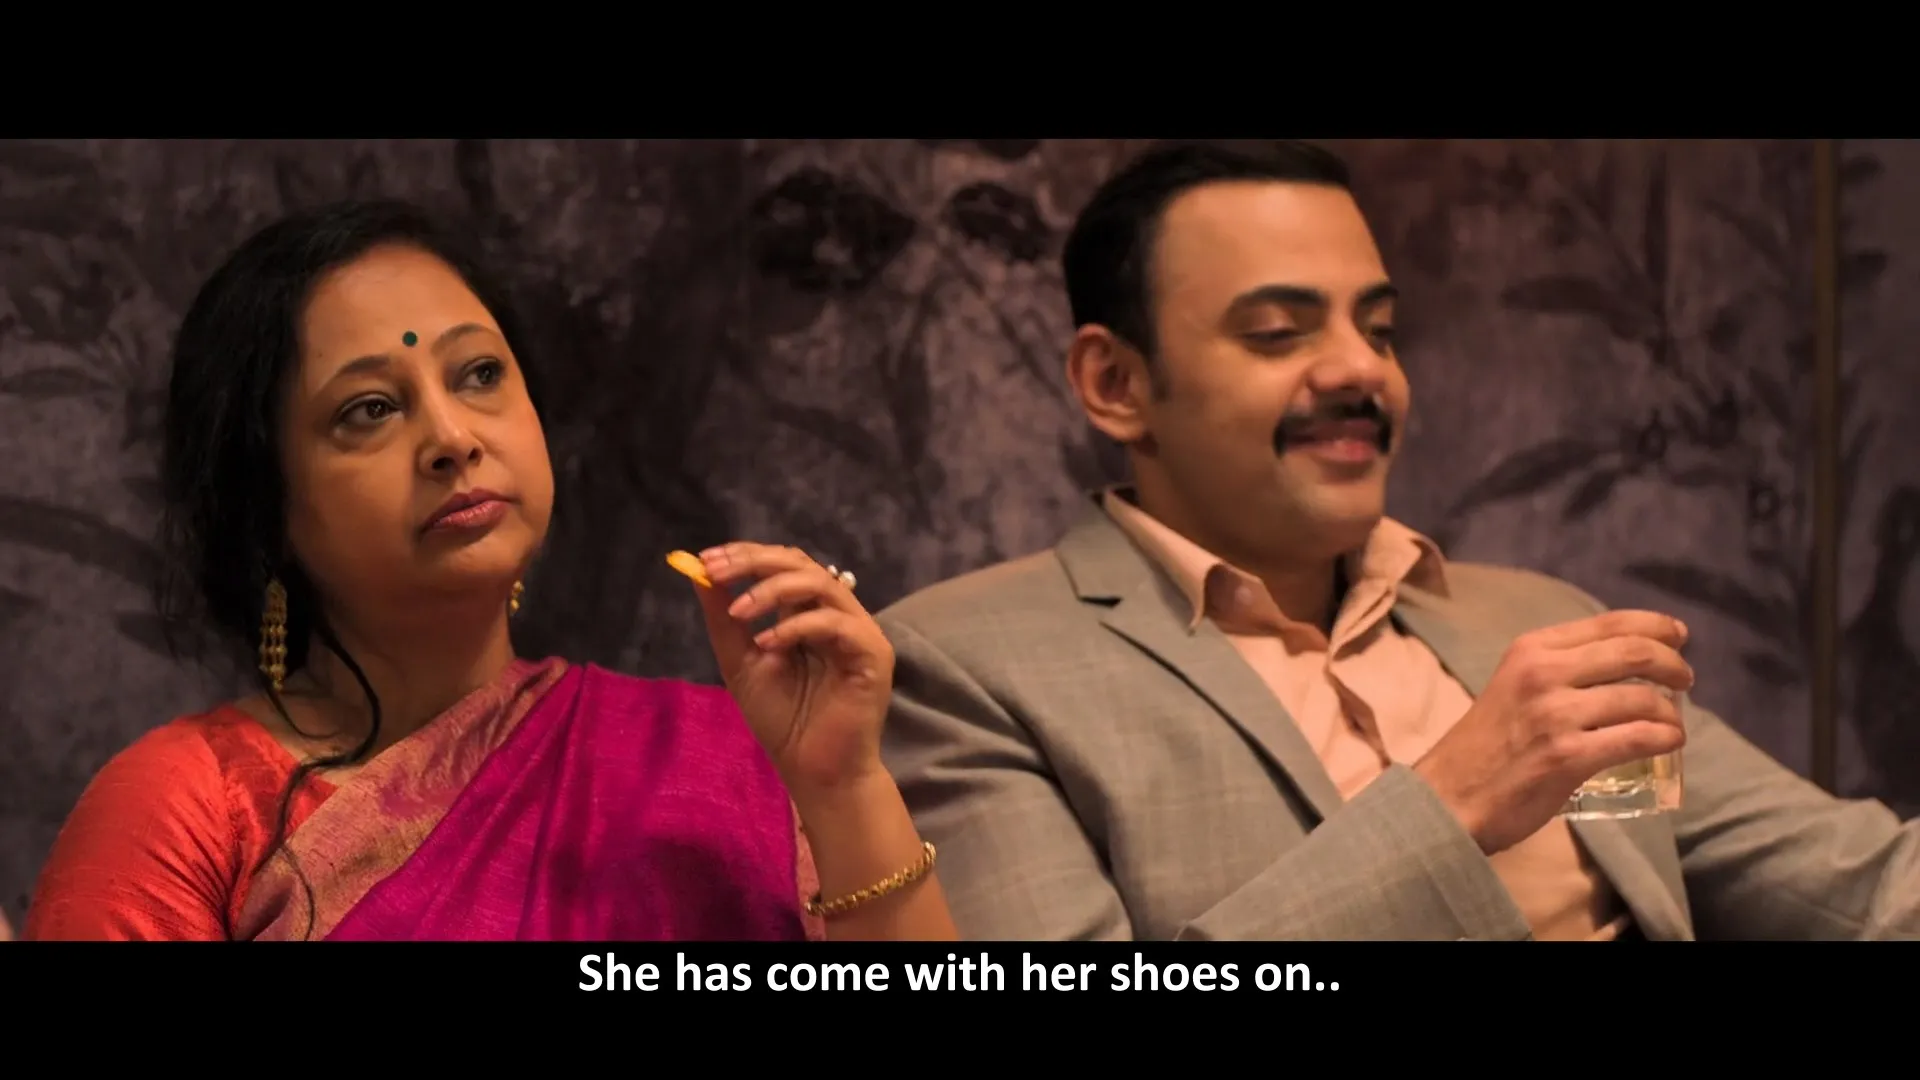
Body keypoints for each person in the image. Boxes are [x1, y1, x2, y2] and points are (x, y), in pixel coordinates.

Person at [876, 140, 1920, 941]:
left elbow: (1858, 885)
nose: (1360, 370)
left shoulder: (1538, 621)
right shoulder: (960, 669)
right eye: (1278, 333)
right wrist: (1452, 802)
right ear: (1116, 383)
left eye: (1376, 328)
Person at [26, 200, 955, 942]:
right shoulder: (190, 810)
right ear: (264, 505)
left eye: (478, 375)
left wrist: (843, 788)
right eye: (369, 409)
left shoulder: (726, 754)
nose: (452, 437)